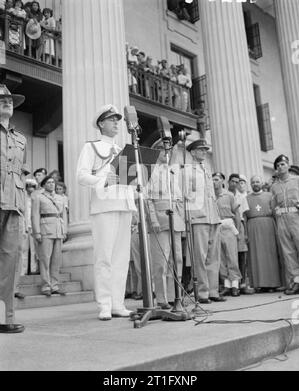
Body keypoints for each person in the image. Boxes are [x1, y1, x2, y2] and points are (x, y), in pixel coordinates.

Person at [77, 104, 136, 320]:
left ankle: (118, 303)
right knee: (104, 257)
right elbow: (81, 176)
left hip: (123, 205)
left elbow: (129, 181)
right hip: (103, 206)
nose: (116, 123)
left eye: (117, 120)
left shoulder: (123, 150)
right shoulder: (91, 147)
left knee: (121, 257)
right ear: (101, 123)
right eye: (111, 119)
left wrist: (133, 207)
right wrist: (102, 179)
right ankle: (104, 304)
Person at [0, 84, 27, 333]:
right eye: (1, 99)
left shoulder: (21, 139)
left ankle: (4, 318)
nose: (7, 102)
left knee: (10, 261)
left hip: (15, 202)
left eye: (9, 99)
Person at [185, 140, 225, 304]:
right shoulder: (187, 171)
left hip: (212, 217)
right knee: (199, 257)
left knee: (213, 256)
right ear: (193, 152)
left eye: (205, 150)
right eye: (201, 150)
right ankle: (202, 292)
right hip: (198, 217)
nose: (204, 152)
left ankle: (213, 290)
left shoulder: (207, 169)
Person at [146, 143, 184, 308]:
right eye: (162, 149)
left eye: (168, 149)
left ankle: (175, 296)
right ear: (156, 151)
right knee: (161, 261)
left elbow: (179, 199)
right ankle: (161, 298)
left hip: (175, 217)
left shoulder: (172, 171)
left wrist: (181, 218)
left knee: (177, 259)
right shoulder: (150, 171)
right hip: (160, 218)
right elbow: (147, 198)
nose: (166, 152)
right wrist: (152, 219)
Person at [31, 175, 67, 296]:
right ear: (44, 185)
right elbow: (35, 215)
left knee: (56, 260)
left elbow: (63, 215)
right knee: (45, 259)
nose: (52, 184)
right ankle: (46, 286)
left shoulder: (60, 198)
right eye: (49, 182)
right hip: (45, 229)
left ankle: (54, 285)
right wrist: (36, 232)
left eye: (53, 182)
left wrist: (64, 230)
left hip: (58, 229)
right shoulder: (38, 197)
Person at [244, 176, 281, 291]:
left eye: (257, 181)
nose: (255, 184)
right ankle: (259, 283)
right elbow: (244, 216)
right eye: (253, 182)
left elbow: (275, 212)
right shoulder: (246, 198)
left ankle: (273, 283)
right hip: (253, 227)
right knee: (256, 255)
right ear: (250, 184)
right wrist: (245, 232)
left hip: (268, 226)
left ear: (261, 183)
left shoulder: (269, 195)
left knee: (270, 254)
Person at [271, 154, 299, 295]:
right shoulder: (274, 186)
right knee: (288, 252)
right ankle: (296, 282)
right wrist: (275, 209)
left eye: (283, 164)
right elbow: (273, 204)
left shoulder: (297, 180)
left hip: (297, 217)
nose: (280, 167)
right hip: (282, 218)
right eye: (278, 165)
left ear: (288, 165)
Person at [213, 172, 242, 297]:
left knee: (232, 257)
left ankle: (235, 284)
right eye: (213, 179)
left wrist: (238, 231)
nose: (214, 181)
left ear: (222, 181)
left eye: (217, 179)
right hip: (217, 228)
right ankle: (226, 285)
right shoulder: (210, 196)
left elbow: (236, 213)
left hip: (229, 228)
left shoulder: (229, 195)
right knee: (221, 258)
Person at [228, 173, 254, 294]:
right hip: (227, 225)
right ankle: (231, 284)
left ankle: (242, 284)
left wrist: (245, 233)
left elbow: (244, 216)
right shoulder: (224, 194)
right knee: (229, 255)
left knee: (241, 255)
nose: (235, 184)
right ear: (228, 182)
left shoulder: (241, 197)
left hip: (240, 225)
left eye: (237, 182)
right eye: (232, 181)